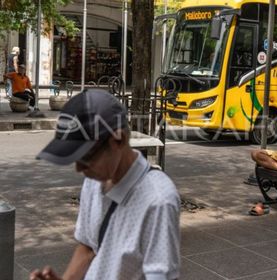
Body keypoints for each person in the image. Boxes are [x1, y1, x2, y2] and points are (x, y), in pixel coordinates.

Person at [31, 89, 180, 280]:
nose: (78, 168)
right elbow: (87, 248)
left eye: (85, 157)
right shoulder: (93, 182)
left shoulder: (158, 201)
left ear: (118, 140)